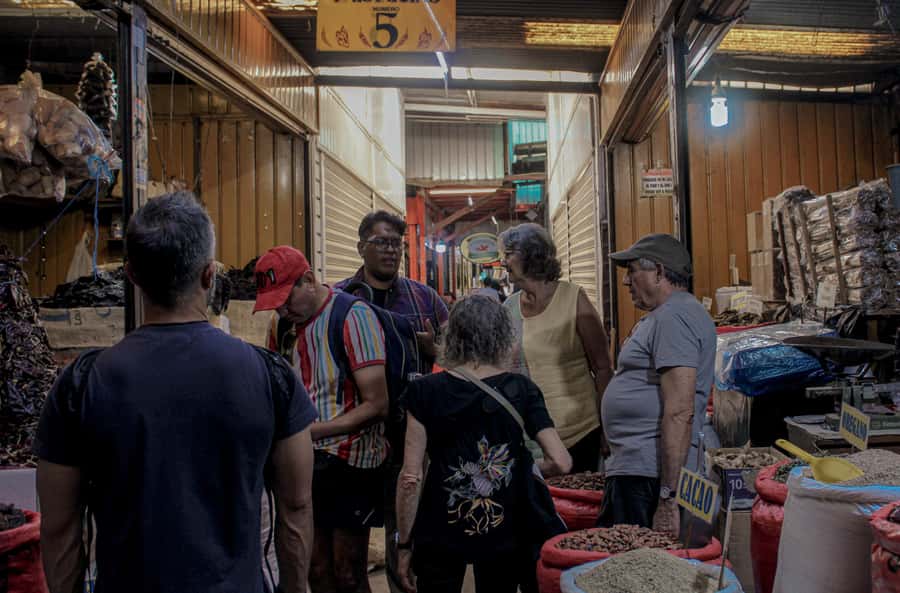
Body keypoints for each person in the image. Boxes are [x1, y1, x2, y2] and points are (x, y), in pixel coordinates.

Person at [35, 192, 318, 593]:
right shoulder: (270, 375)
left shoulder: (79, 385)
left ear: (131, 275)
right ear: (209, 275)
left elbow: (61, 528)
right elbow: (296, 508)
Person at [395, 296, 572, 593]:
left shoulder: (424, 390)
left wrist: (403, 544)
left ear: (452, 337)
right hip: (506, 527)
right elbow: (561, 461)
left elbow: (410, 478)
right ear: (503, 336)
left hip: (439, 526)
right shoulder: (522, 389)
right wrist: (514, 468)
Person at [255, 245, 389, 593]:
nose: (283, 309)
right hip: (302, 461)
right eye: (275, 303)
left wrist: (310, 432)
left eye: (286, 298)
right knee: (314, 570)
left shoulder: (353, 316)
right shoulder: (281, 326)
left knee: (348, 572)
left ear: (310, 280)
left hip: (350, 462)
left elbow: (377, 404)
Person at [335, 210, 448, 593]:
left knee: (407, 544)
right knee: (349, 556)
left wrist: (437, 351)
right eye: (380, 242)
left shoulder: (425, 299)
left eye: (395, 244)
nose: (390, 251)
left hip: (409, 438)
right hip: (354, 441)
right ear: (360, 247)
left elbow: (460, 359)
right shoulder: (339, 300)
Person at [600, 233, 716, 536]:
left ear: (659, 272)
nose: (626, 282)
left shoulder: (674, 317)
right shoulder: (667, 314)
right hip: (640, 472)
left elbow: (679, 410)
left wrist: (668, 497)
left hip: (649, 479)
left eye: (633, 270)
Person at [499, 223, 614, 472]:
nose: (503, 261)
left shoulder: (573, 299)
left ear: (531, 254)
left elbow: (603, 368)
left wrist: (607, 428)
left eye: (509, 253)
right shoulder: (509, 307)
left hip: (580, 432)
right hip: (531, 438)